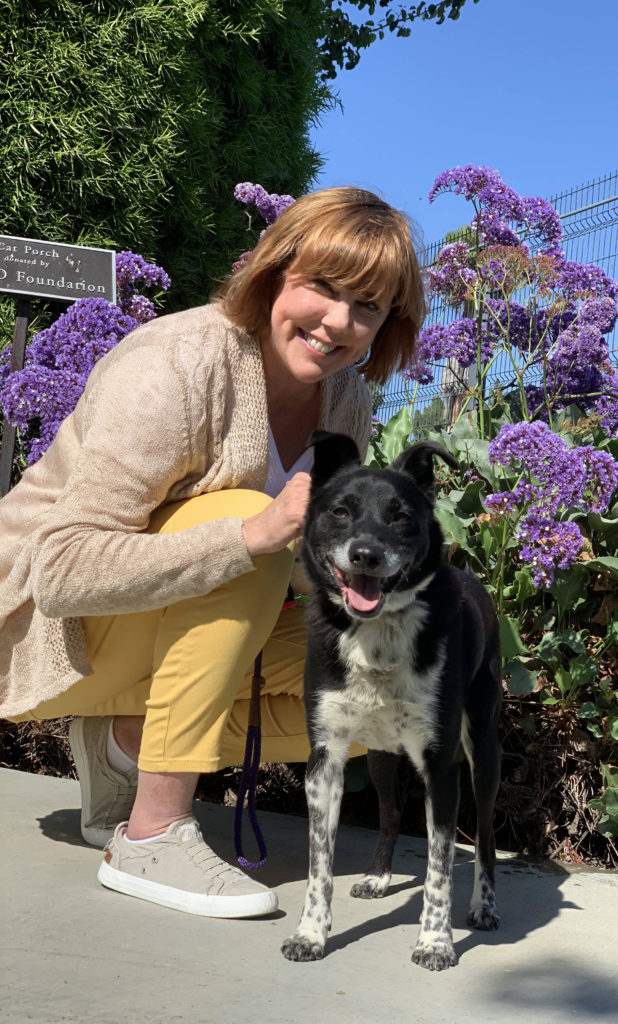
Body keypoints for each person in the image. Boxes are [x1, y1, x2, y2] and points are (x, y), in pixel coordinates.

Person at [0, 187, 425, 919]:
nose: (338, 322)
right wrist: (252, 536)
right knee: (242, 516)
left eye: (368, 306)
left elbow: (303, 563)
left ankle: (126, 748)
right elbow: (61, 571)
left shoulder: (346, 400)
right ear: (273, 273)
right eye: (322, 286)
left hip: (153, 641)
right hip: (41, 628)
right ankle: (153, 832)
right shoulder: (176, 365)